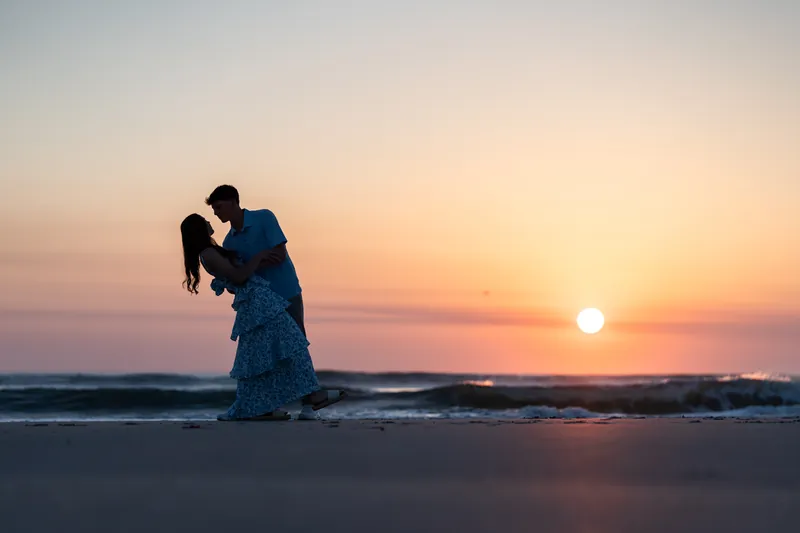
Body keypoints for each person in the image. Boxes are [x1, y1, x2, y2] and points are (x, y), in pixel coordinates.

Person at [180, 213, 344, 421]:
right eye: (205, 221)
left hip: (261, 301)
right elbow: (239, 278)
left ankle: (266, 405)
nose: (210, 222)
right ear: (199, 230)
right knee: (289, 345)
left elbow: (236, 278)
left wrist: (260, 261)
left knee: (265, 355)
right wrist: (259, 257)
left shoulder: (214, 251)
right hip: (258, 305)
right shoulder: (208, 254)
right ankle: (311, 396)